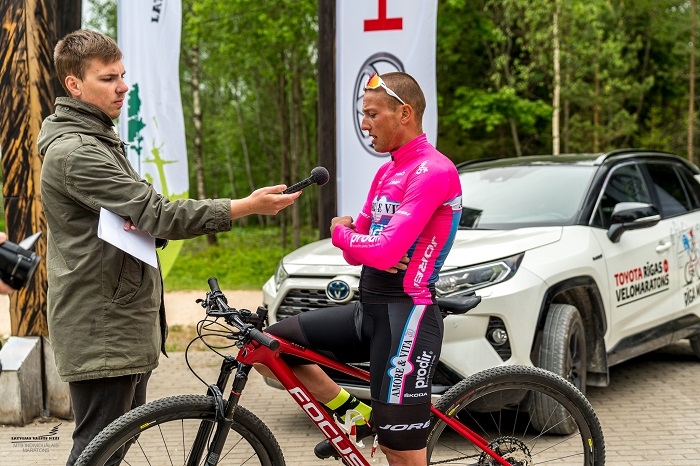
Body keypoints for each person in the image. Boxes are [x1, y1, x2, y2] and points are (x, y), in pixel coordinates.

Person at [37, 29, 300, 465]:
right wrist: (244, 206)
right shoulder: (78, 152)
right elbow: (155, 213)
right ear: (74, 85)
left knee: (111, 448)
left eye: (123, 75)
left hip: (117, 322)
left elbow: (137, 218)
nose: (123, 86)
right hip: (102, 328)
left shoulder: (99, 139)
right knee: (98, 450)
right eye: (108, 78)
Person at [263, 71, 462, 466]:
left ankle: (384, 427)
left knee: (400, 455)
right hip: (369, 308)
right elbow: (361, 254)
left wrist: (343, 233)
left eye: (371, 114)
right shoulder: (389, 171)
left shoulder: (433, 170)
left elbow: (382, 250)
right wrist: (363, 243)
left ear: (404, 113)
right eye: (362, 114)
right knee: (273, 345)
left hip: (408, 315)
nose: (364, 123)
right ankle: (358, 416)